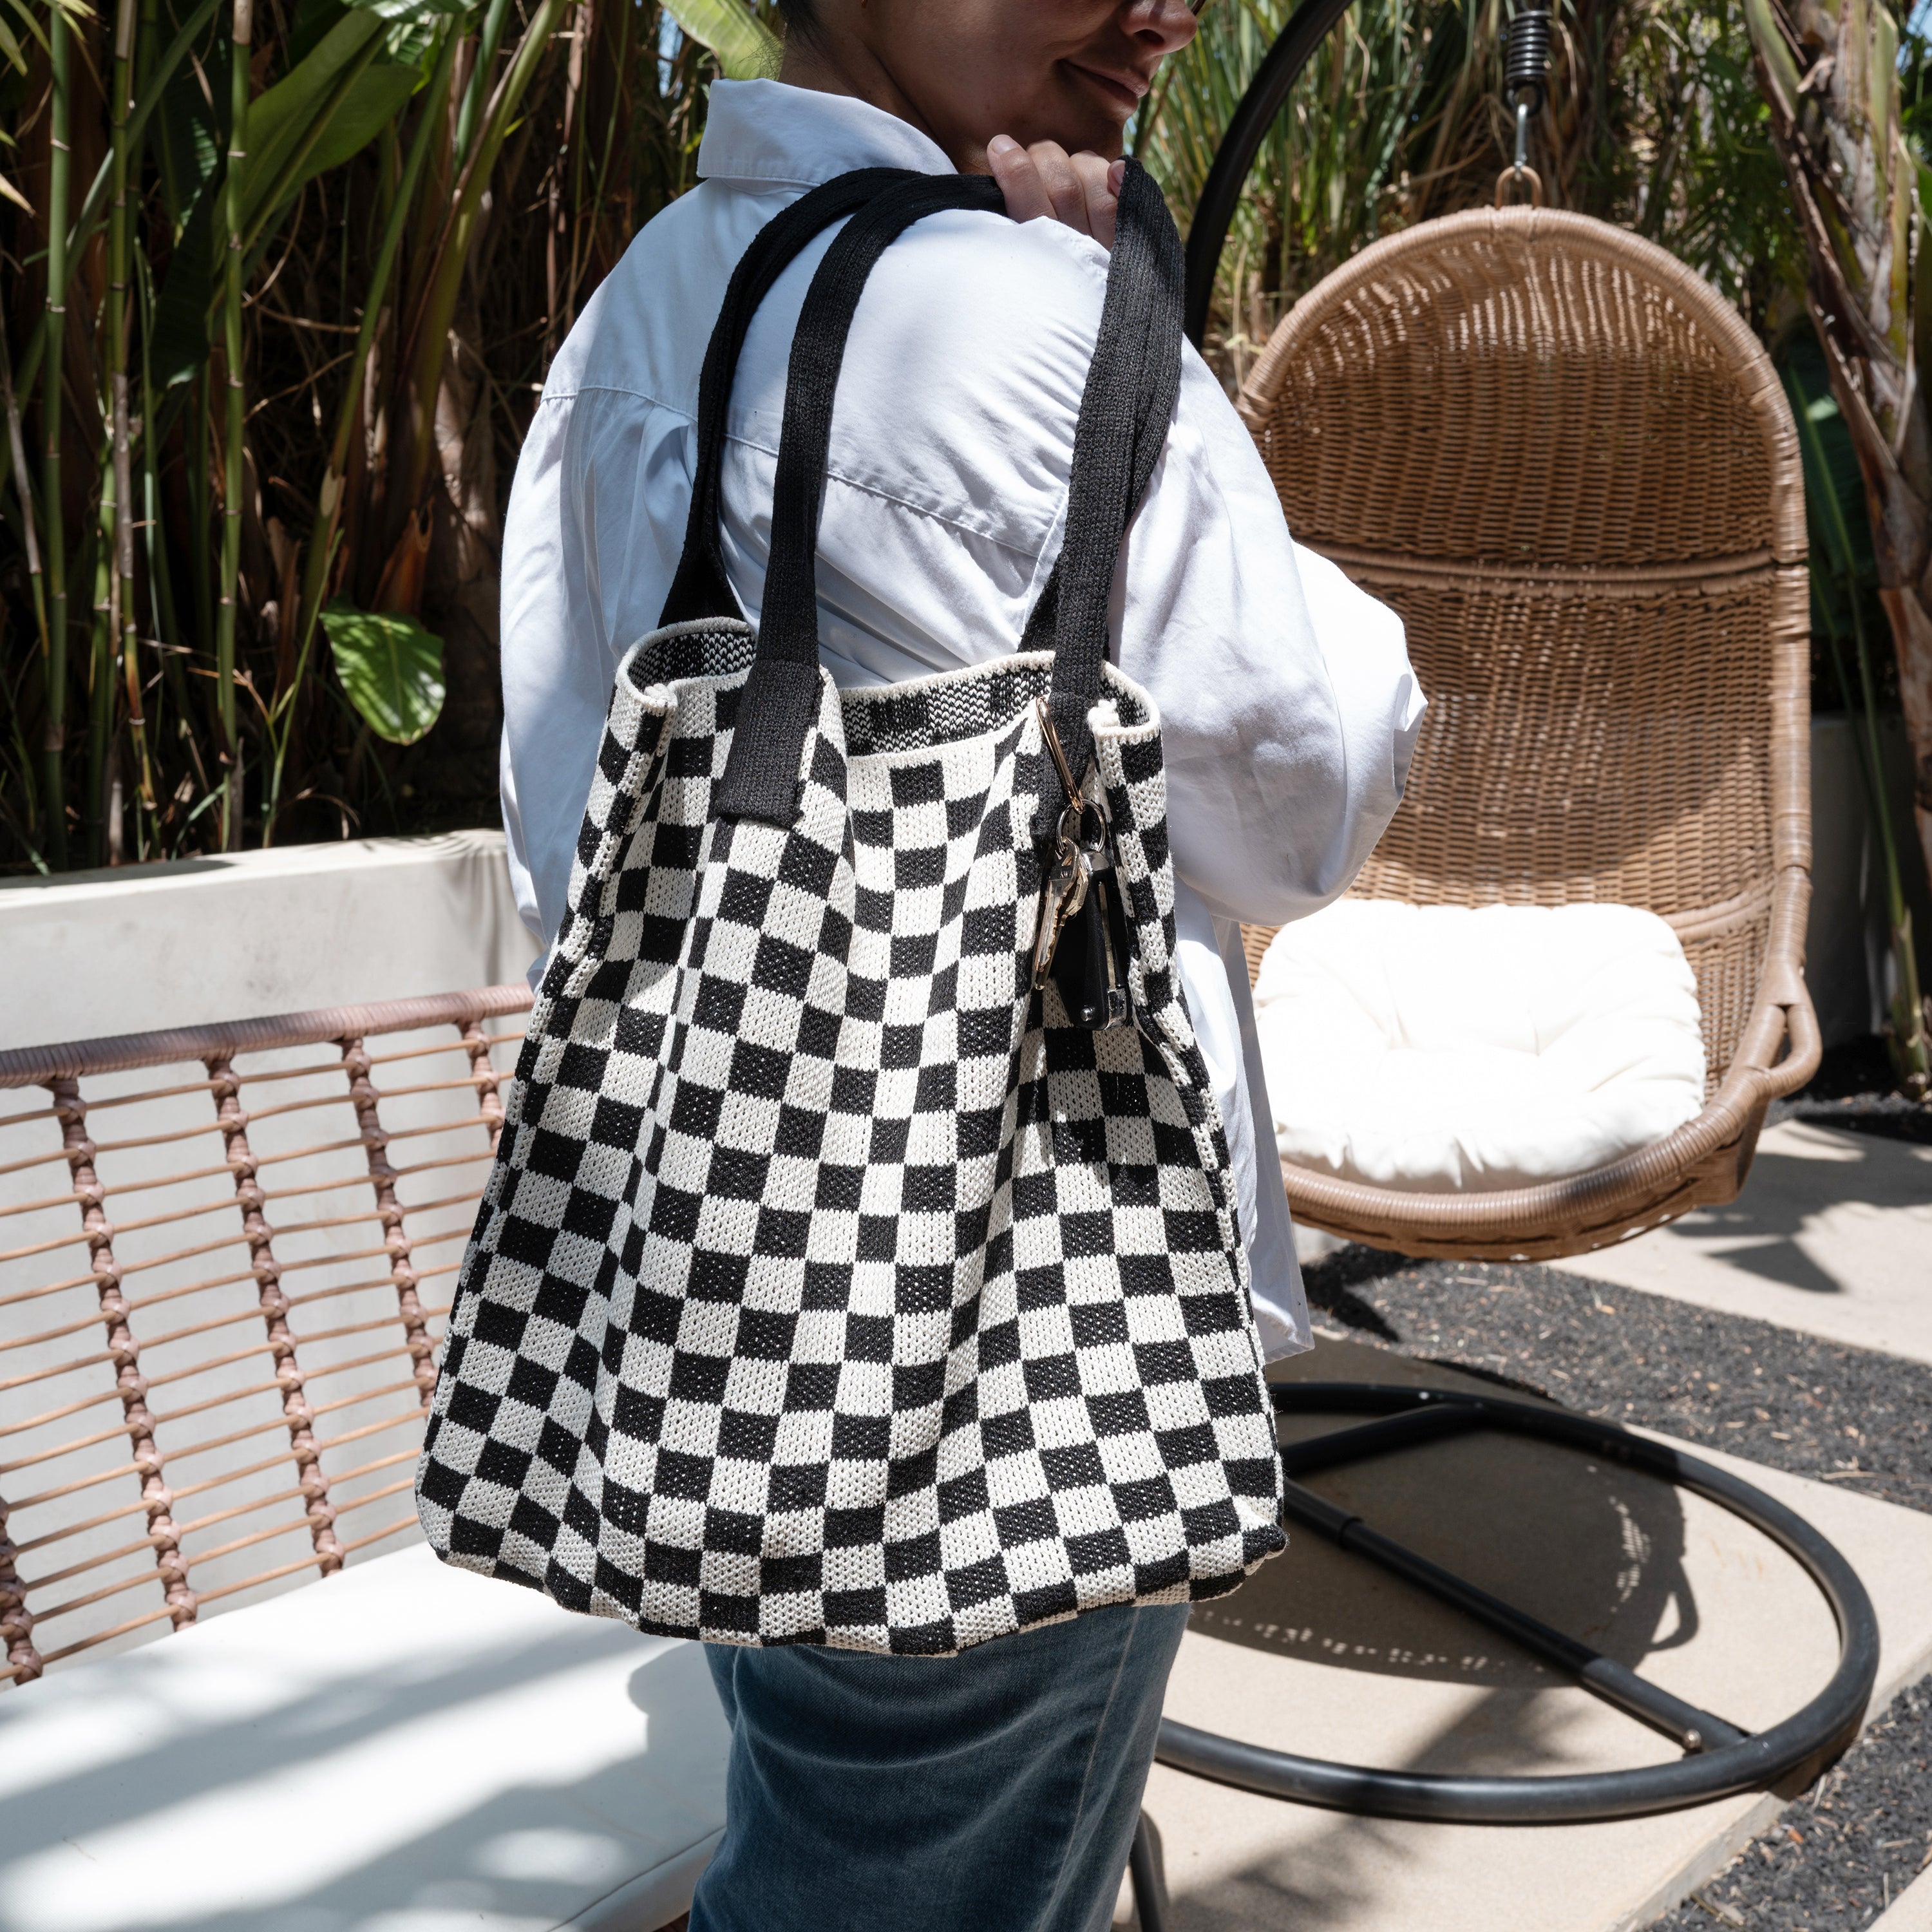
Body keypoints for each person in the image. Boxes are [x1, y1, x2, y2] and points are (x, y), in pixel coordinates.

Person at [497, 3, 1424, 1925]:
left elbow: (568, 814)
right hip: (1002, 1362)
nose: (1165, 9)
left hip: (715, 1325)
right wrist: (1141, 358)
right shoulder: (1039, 324)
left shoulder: (642, 308)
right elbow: (1308, 794)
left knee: (830, 1832)